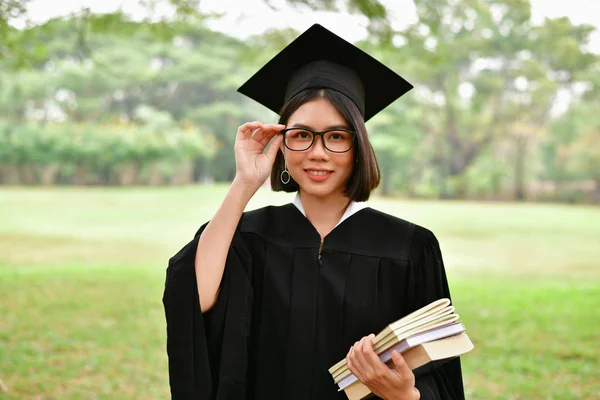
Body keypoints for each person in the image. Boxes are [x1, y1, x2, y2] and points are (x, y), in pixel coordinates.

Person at [162, 24, 465, 400]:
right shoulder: (247, 236)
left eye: (336, 136)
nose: (318, 152)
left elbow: (440, 376)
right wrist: (244, 183)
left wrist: (405, 395)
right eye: (302, 134)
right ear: (282, 143)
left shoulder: (410, 248)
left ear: (358, 148)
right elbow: (194, 298)